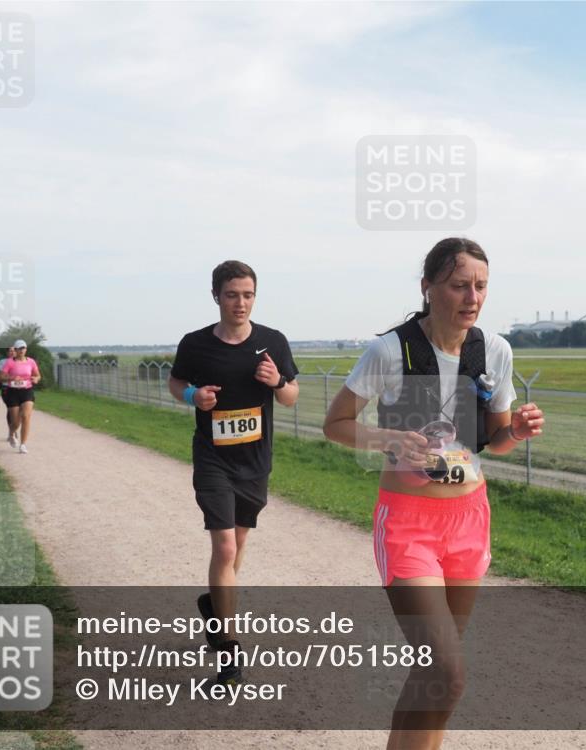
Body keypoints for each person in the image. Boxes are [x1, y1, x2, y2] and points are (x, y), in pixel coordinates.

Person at [322, 237, 544, 749]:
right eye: (458, 285)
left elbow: (494, 441)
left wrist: (519, 431)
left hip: (469, 520)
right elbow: (335, 423)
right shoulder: (391, 351)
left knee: (433, 676)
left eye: (481, 286)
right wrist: (386, 438)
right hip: (408, 524)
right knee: (447, 672)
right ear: (428, 288)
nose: (472, 297)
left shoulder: (493, 350)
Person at [168, 260, 299, 685]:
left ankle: (214, 605)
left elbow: (292, 398)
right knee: (224, 548)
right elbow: (175, 382)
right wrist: (194, 395)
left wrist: (278, 381)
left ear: (254, 297)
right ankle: (228, 652)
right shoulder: (195, 344)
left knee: (237, 546)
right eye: (231, 294)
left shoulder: (273, 342)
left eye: (247, 294)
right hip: (213, 458)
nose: (240, 303)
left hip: (255, 462)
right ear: (216, 296)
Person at [0, 340, 41, 454]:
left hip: (27, 390)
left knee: (26, 416)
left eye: (24, 348)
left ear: (26, 349)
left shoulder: (31, 362)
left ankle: (23, 444)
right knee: (16, 422)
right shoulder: (10, 362)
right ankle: (12, 433)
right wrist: (12, 378)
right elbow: (1, 377)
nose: (22, 350)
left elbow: (37, 375)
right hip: (13, 392)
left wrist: (36, 379)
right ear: (16, 350)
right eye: (19, 348)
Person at [0, 346, 16, 442]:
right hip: (6, 387)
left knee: (19, 411)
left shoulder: (20, 361)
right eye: (10, 351)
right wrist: (6, 377)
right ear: (7, 352)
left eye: (14, 350)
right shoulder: (3, 362)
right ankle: (11, 431)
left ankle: (14, 428)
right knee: (10, 409)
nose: (12, 352)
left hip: (18, 387)